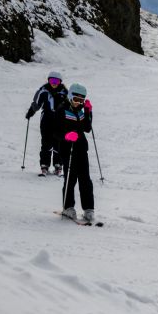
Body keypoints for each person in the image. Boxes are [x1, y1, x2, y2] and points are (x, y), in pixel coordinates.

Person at [58, 83, 95, 223]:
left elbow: (87, 128)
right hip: (68, 149)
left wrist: (88, 112)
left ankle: (88, 209)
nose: (78, 103)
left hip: (81, 148)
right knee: (71, 178)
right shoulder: (62, 110)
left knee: (85, 179)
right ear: (70, 96)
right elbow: (55, 132)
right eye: (76, 99)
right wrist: (66, 136)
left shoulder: (81, 111)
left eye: (81, 100)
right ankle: (68, 207)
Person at [25, 71, 68, 176]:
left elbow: (70, 105)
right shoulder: (43, 91)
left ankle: (58, 166)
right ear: (48, 80)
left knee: (59, 143)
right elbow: (36, 103)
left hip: (60, 121)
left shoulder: (65, 92)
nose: (54, 83)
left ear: (60, 82)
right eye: (51, 80)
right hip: (46, 120)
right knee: (46, 143)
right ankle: (45, 165)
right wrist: (31, 112)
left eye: (56, 81)